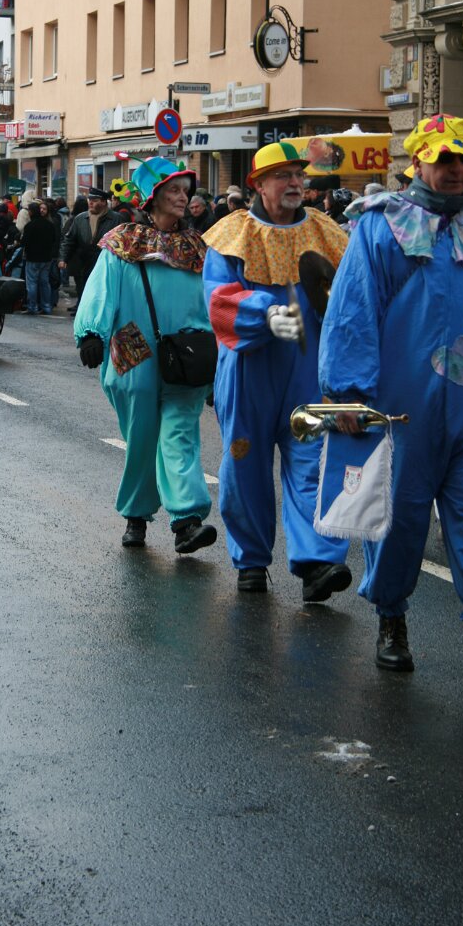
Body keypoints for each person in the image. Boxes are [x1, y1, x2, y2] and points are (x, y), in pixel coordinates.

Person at [318, 114, 463, 677]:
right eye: (444, 159)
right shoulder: (382, 226)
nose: (456, 169)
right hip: (400, 411)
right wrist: (349, 394)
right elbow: (352, 310)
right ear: (420, 162)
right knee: (398, 519)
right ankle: (391, 619)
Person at [202, 140, 351, 595]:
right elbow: (217, 298)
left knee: (314, 465)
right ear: (259, 184)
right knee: (244, 464)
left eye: (299, 175)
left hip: (309, 370)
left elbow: (348, 298)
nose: (294, 183)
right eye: (283, 175)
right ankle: (250, 559)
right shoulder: (232, 234)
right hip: (249, 369)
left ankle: (317, 562)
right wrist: (263, 314)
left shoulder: (326, 231)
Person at [75, 157, 216, 555]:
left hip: (187, 351)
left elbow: (213, 301)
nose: (183, 197)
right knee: (142, 436)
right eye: (173, 190)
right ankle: (136, 515)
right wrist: (91, 332)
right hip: (133, 347)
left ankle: (186, 519)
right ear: (152, 197)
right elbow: (101, 290)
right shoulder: (123, 242)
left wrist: (217, 360)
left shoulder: (196, 247)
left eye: (185, 190)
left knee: (179, 434)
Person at [59, 187, 122, 314]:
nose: (91, 202)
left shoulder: (116, 219)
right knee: (83, 289)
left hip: (105, 263)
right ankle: (84, 313)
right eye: (90, 199)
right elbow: (69, 240)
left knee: (102, 291)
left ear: (103, 202)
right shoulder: (80, 218)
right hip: (84, 263)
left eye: (95, 200)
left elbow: (122, 242)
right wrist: (63, 258)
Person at [22, 202, 59, 315]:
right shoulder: (49, 225)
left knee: (32, 283)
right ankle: (46, 307)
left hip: (32, 258)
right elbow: (54, 239)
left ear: (31, 212)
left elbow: (24, 242)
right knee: (44, 283)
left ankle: (32, 307)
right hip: (46, 258)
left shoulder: (30, 226)